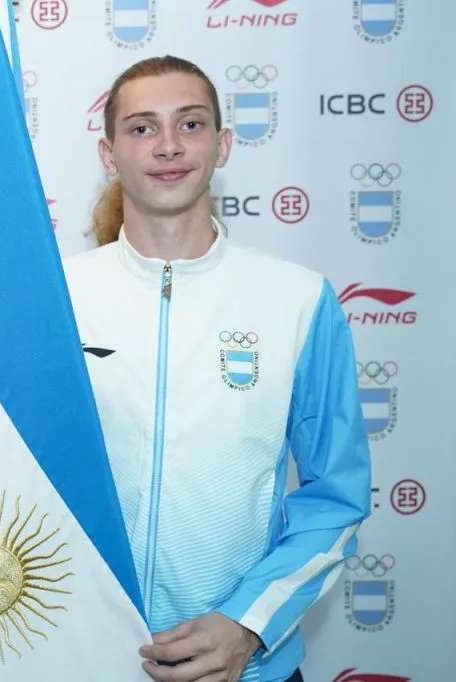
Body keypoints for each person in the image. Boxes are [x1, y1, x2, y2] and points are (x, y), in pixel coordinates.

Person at [62, 56, 371, 682]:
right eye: (142, 128)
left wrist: (249, 623)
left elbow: (336, 497)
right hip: (78, 659)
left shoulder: (299, 301)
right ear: (108, 153)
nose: (169, 145)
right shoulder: (51, 299)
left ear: (223, 144)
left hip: (245, 667)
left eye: (191, 124)